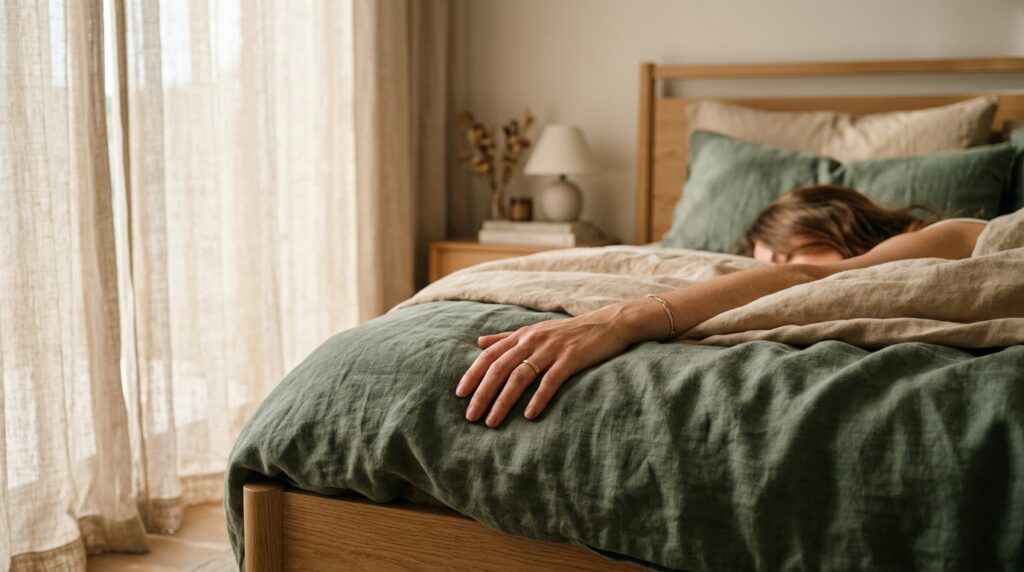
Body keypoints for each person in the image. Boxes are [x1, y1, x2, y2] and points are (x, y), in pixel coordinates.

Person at [455, 184, 987, 428]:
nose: (774, 268)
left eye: (782, 252)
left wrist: (622, 318)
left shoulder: (950, 235)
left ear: (834, 221)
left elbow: (813, 276)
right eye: (762, 262)